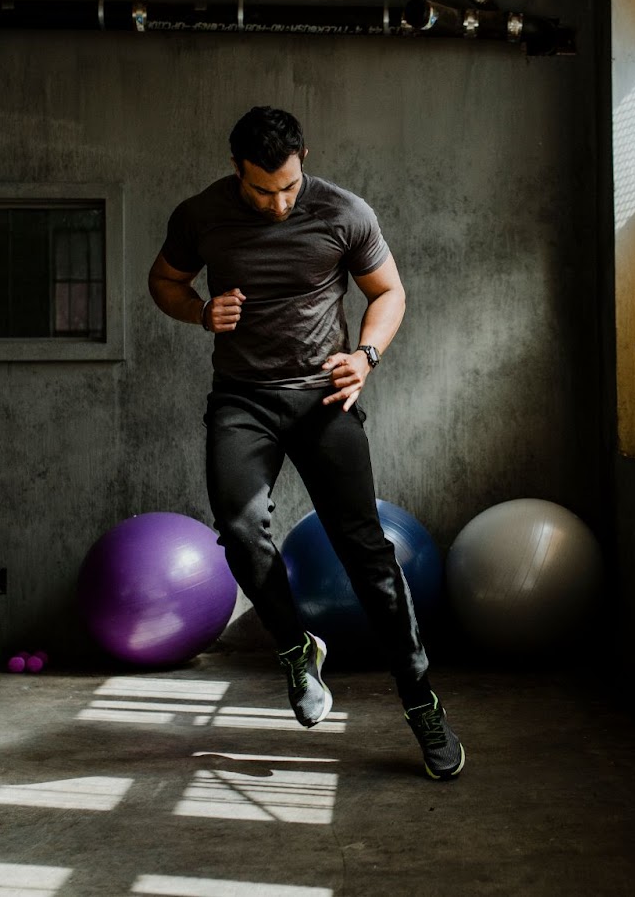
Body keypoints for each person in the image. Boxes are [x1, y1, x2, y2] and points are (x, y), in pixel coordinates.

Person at [148, 106, 464, 780]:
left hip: (325, 397)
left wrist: (368, 355)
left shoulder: (344, 212)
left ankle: (422, 703)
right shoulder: (201, 214)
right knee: (238, 531)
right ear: (237, 169)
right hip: (243, 400)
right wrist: (200, 310)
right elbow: (165, 282)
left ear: (303, 160)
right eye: (263, 191)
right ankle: (296, 650)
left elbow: (388, 291)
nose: (279, 202)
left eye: (289, 185)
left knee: (367, 554)